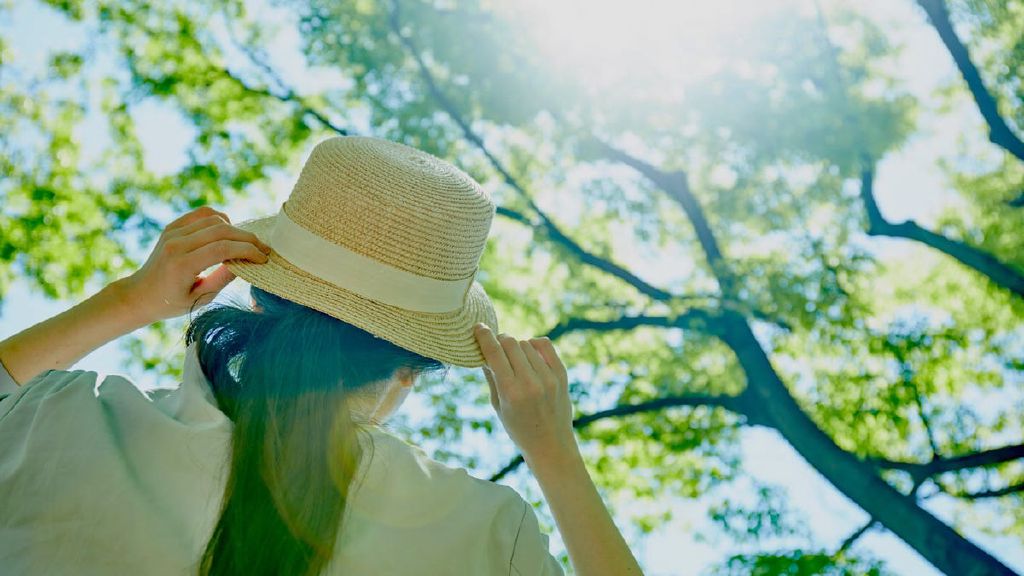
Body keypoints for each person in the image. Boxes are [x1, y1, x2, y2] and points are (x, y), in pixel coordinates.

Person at [0, 136, 644, 575]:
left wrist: (127, 302)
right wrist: (555, 455)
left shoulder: (62, 420)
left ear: (258, 299)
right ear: (410, 369)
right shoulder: (488, 532)